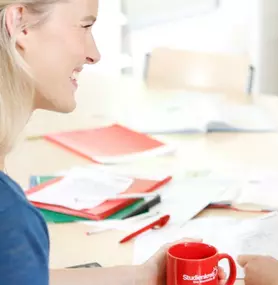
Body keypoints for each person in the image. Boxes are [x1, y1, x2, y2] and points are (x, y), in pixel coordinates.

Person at [0, 1, 227, 285]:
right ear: (20, 25)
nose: (94, 54)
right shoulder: (10, 219)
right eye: (84, 26)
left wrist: (143, 276)